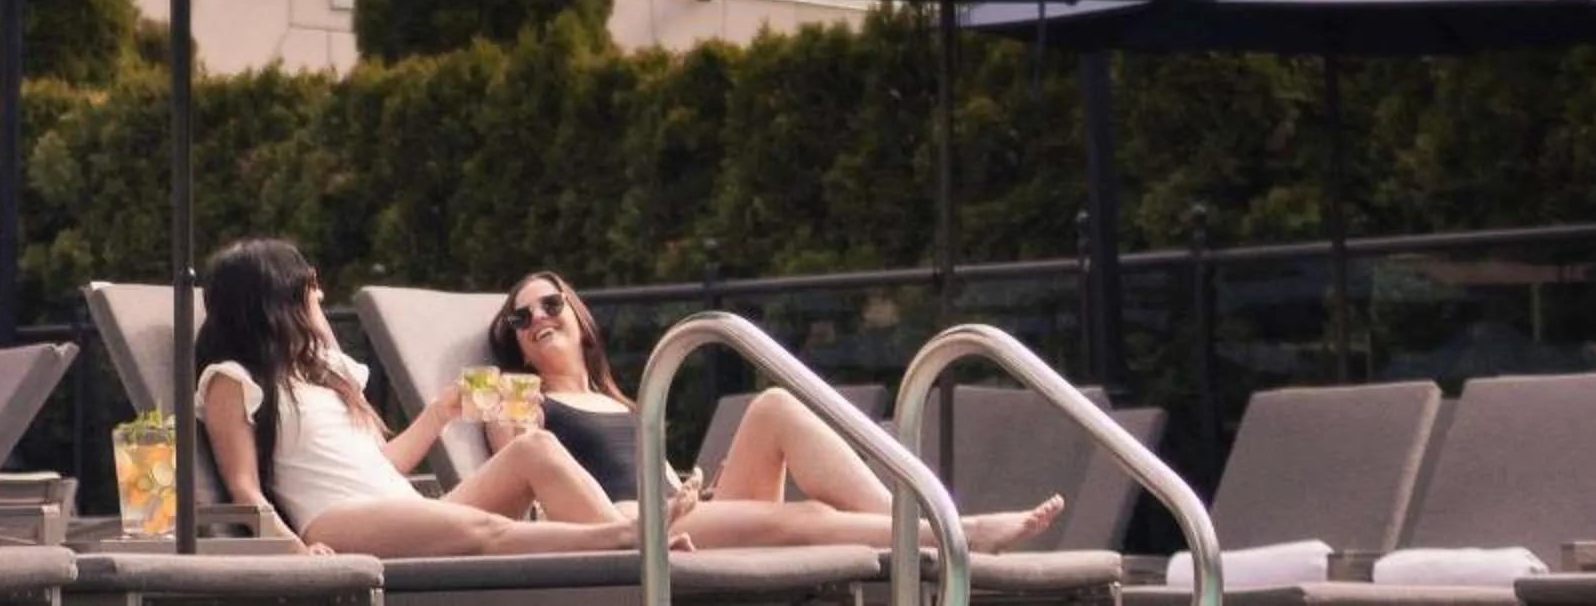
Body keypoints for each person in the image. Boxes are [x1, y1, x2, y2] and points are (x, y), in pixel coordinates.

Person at [483, 269, 1063, 555]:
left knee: (776, 405)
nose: (537, 318)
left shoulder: (625, 401)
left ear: (580, 318)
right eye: (521, 318)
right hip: (633, 525)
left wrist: (688, 488)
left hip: (684, 509)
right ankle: (953, 535)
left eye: (550, 303)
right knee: (805, 520)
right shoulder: (520, 396)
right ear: (516, 341)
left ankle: (919, 521)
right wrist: (514, 418)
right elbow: (517, 476)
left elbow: (655, 474)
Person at [195, 238, 640, 555]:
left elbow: (380, 465)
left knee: (535, 447)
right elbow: (244, 488)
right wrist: (294, 553)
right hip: (338, 520)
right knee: (486, 531)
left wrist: (442, 411)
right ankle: (621, 540)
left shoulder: (326, 372)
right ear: (275, 301)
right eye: (309, 287)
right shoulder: (231, 380)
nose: (321, 295)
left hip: (403, 510)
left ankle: (628, 541)